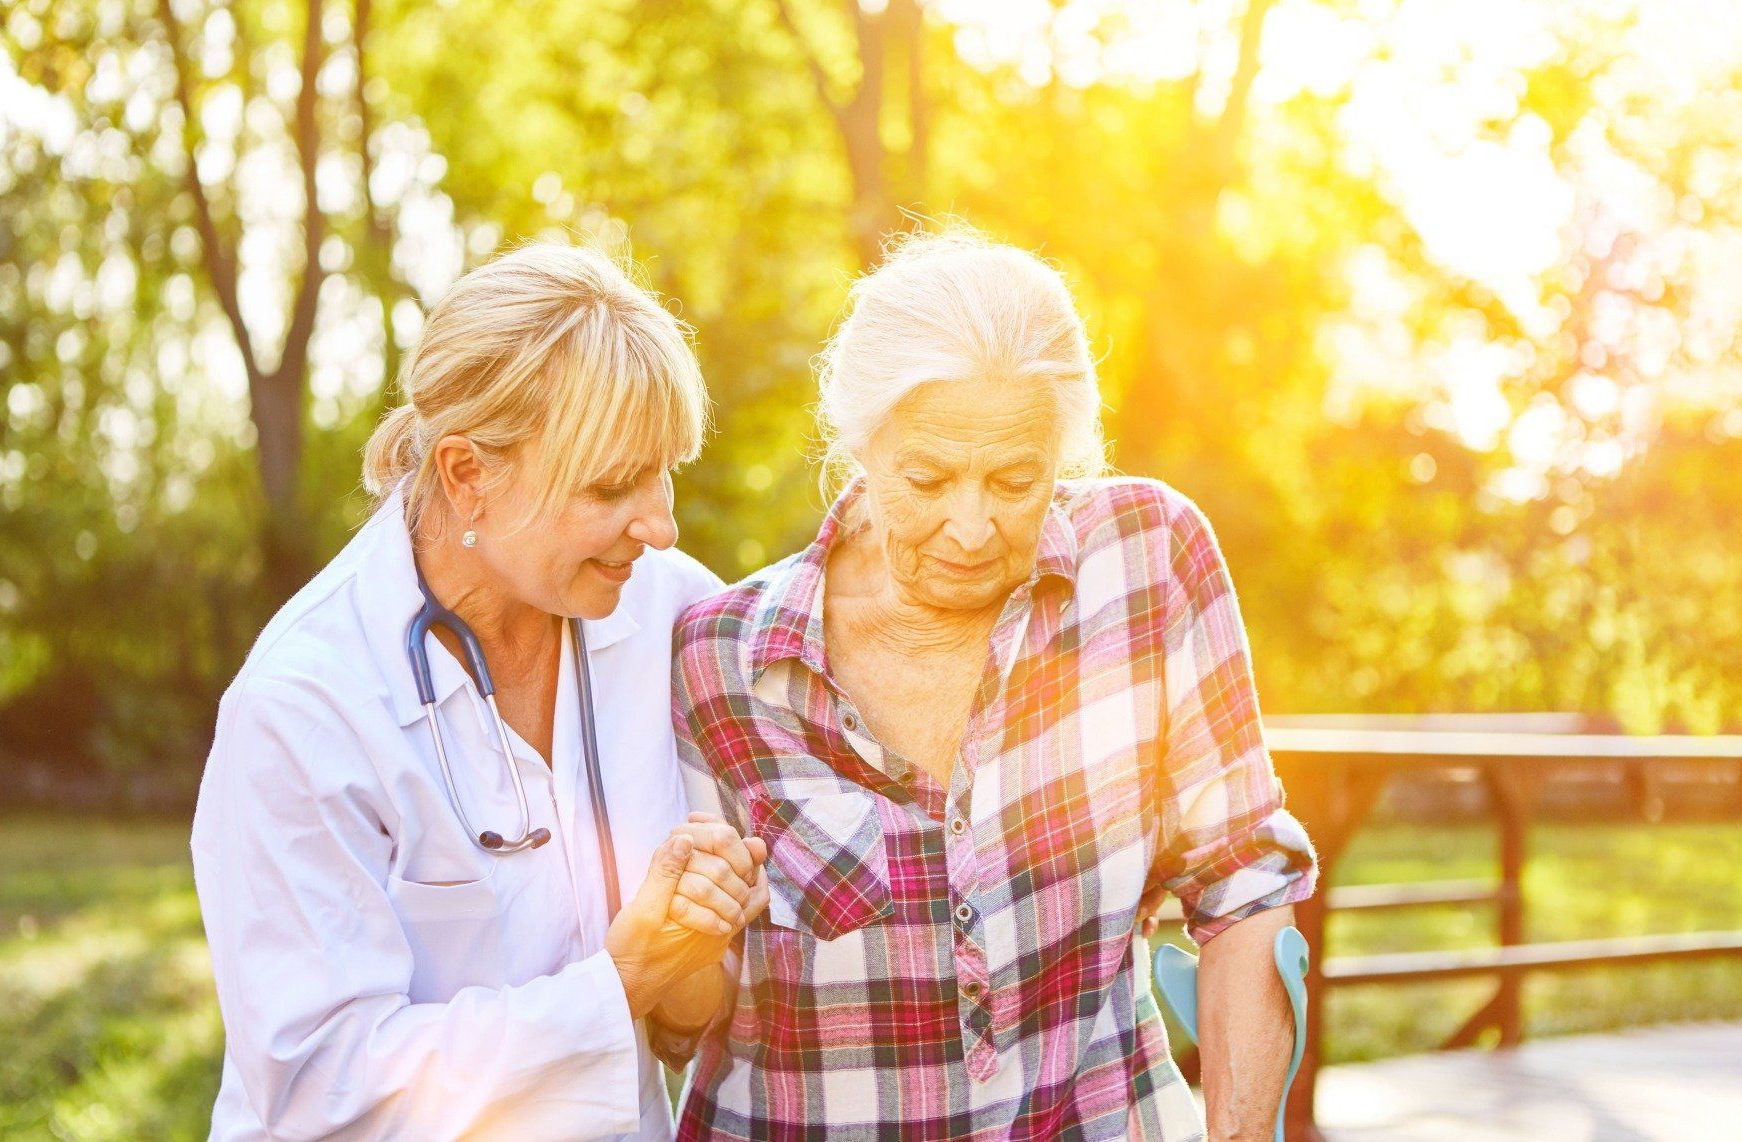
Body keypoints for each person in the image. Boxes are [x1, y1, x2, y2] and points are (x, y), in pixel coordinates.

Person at [671, 228, 1319, 1139]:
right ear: (862, 443)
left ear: (1064, 452)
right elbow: (681, 1018)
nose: (970, 528)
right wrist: (684, 934)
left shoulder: (1146, 560)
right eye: (927, 478)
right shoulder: (725, 656)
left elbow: (1244, 884)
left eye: (1016, 479)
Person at [191, 243, 766, 1140]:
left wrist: (691, 965)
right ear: (468, 475)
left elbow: (687, 1023)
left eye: (666, 471)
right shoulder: (304, 707)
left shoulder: (675, 613)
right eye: (613, 486)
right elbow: (322, 1093)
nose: (661, 523)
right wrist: (619, 985)